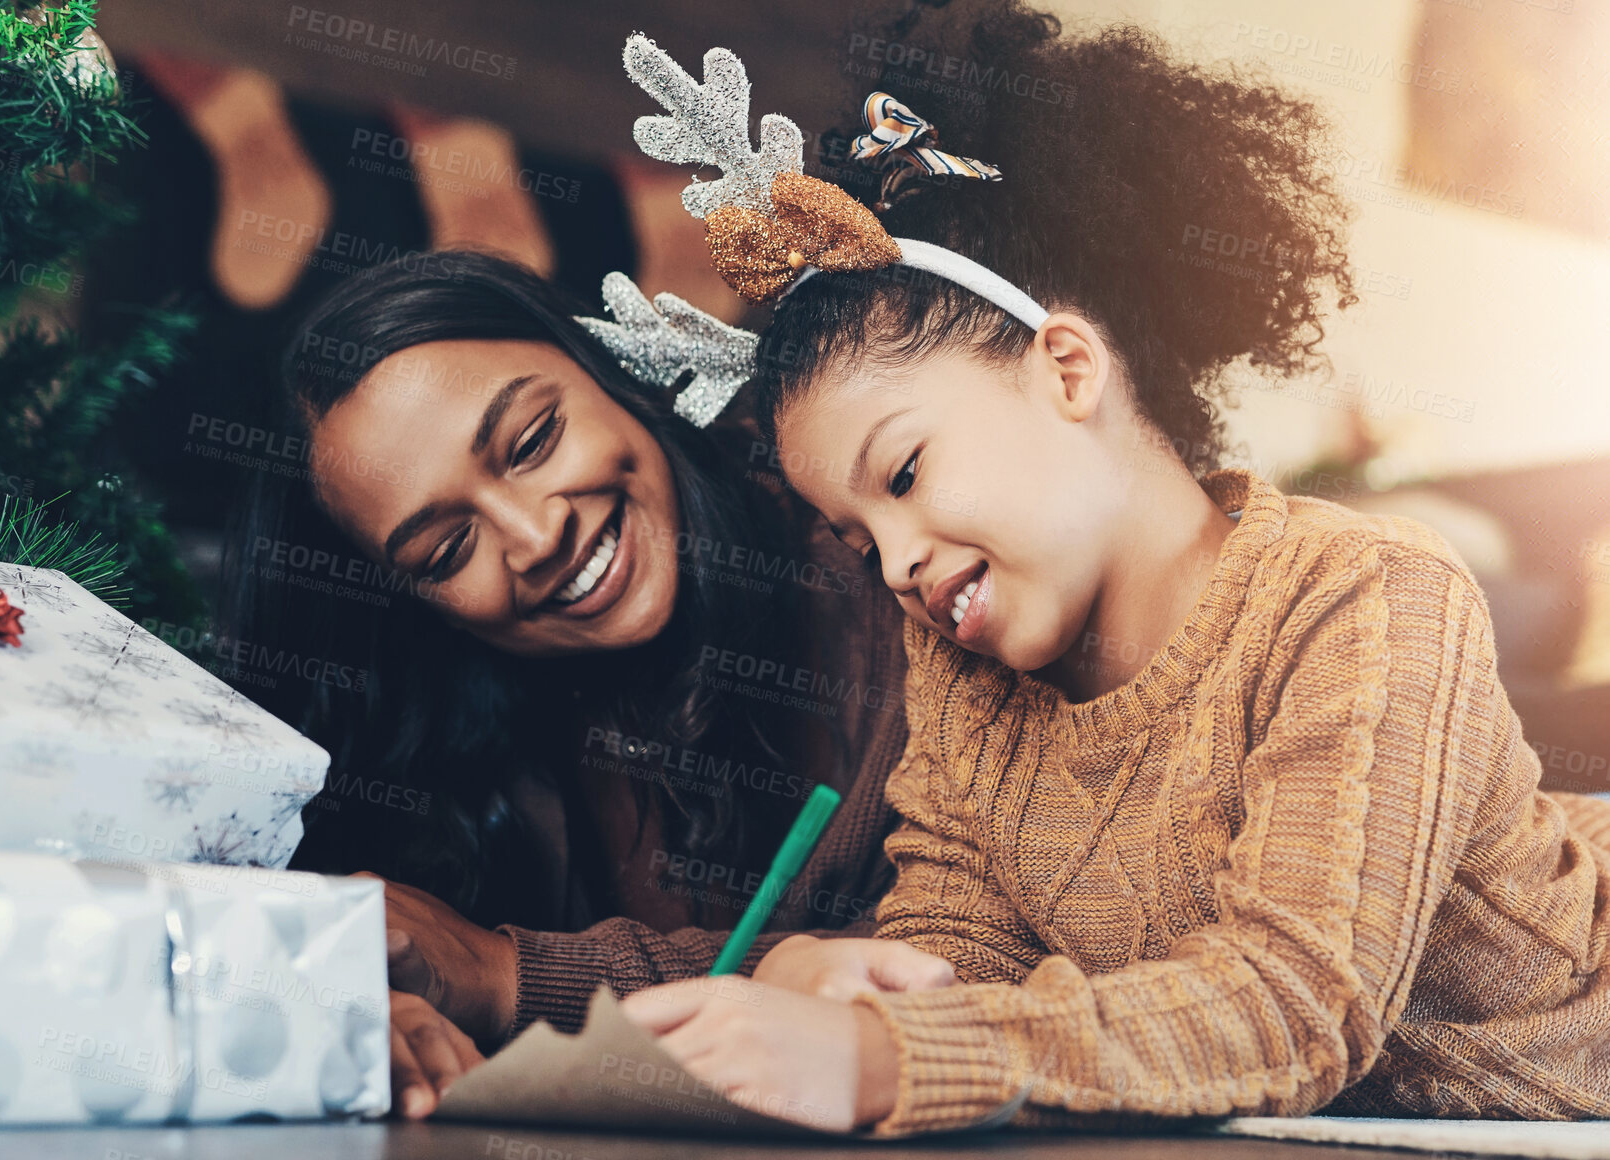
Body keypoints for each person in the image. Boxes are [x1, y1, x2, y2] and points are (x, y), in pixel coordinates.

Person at [616, 4, 1610, 1134]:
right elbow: (954, 967)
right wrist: (841, 982)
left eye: (898, 476)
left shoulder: (1362, 591)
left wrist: (886, 1054)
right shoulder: (961, 683)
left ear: (1068, 367)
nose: (892, 563)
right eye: (854, 538)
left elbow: (1294, 1003)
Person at [221, 251, 913, 1116]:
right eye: (446, 551)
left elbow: (974, 962)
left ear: (607, 369)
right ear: (419, 610)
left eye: (532, 442)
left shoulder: (891, 560)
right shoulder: (472, 761)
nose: (536, 534)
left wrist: (512, 976)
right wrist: (376, 1015)